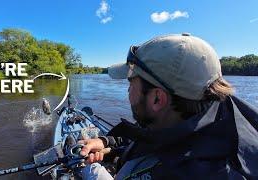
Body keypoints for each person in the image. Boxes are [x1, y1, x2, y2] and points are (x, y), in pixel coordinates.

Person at [79, 33, 258, 179]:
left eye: (131, 84)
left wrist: (93, 173)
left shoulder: (212, 172)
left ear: (157, 98)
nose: (128, 92)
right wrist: (107, 142)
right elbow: (156, 135)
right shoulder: (205, 110)